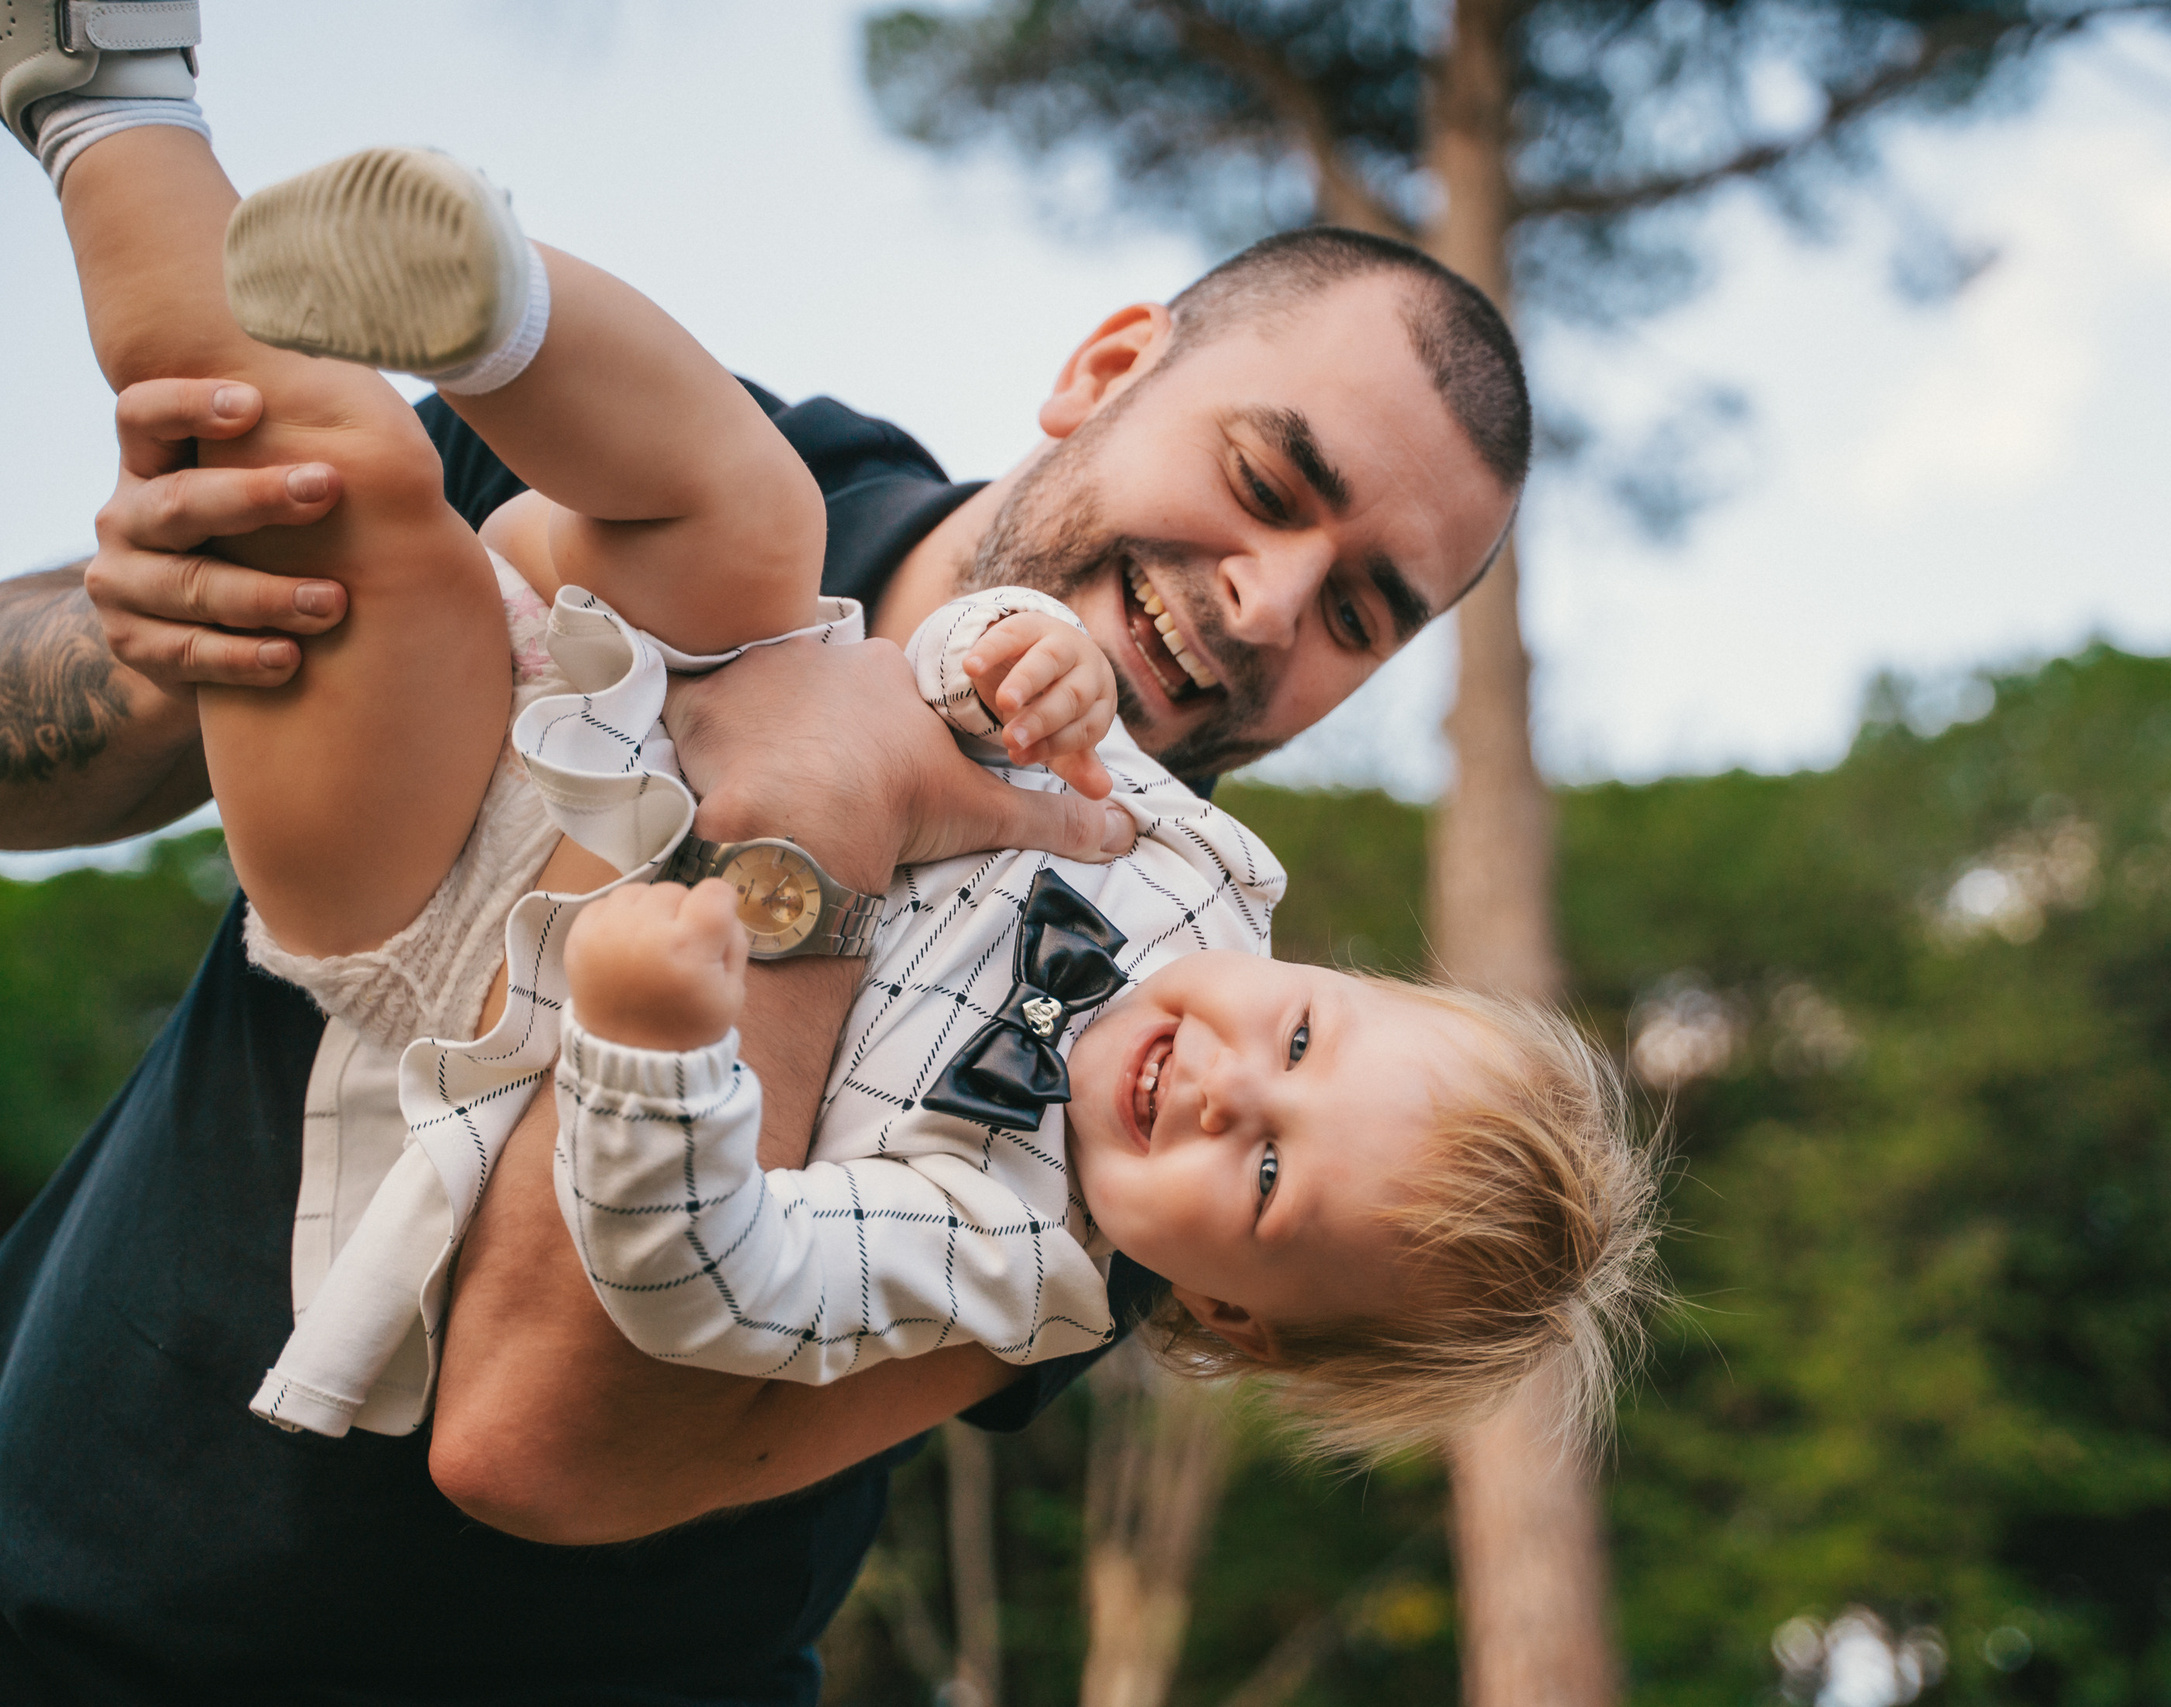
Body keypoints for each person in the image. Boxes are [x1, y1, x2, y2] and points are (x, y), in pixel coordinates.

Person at [0, 13, 1546, 1701]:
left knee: (350, 482)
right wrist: (169, 657)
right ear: (1106, 375)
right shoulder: (665, 444)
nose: (1262, 606)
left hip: (438, 1434)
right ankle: (115, 100)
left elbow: (544, 1438)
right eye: (1263, 479)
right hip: (44, 1512)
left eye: (1355, 615)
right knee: (362, 465)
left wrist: (801, 842)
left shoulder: (1112, 1179)